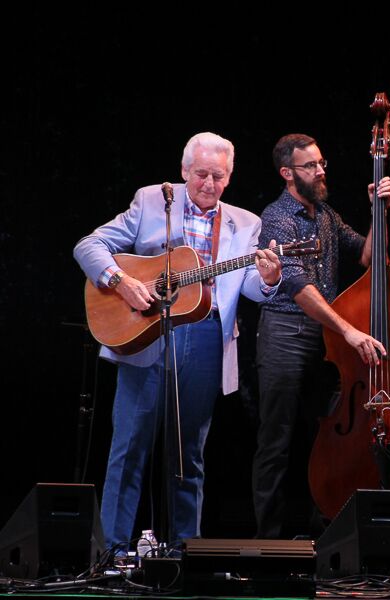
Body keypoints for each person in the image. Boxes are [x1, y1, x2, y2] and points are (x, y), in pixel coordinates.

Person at [73, 132, 283, 553]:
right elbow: (89, 245)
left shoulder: (246, 223)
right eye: (201, 173)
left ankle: (185, 552)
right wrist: (121, 281)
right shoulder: (153, 200)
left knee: (189, 454)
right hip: (146, 330)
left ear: (229, 177)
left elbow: (250, 287)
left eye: (218, 176)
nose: (209, 183)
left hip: (206, 336)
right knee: (129, 446)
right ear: (185, 170)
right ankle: (112, 552)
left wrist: (270, 278)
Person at [252, 133, 390, 539]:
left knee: (328, 437)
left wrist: (379, 212)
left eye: (321, 163)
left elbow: (369, 256)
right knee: (276, 440)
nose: (320, 171)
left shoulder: (327, 215)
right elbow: (298, 286)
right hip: (286, 332)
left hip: (325, 334)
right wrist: (349, 330)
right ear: (287, 173)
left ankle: (326, 534)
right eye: (310, 165)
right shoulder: (277, 217)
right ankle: (268, 540)